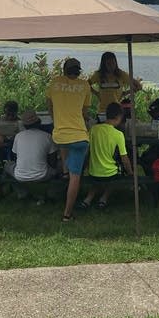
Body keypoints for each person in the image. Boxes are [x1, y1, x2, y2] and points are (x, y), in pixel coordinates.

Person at [46, 58, 92, 222]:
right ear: (78, 71)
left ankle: (65, 171)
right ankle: (67, 214)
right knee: (76, 176)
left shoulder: (55, 83)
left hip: (60, 135)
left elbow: (49, 105)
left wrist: (56, 119)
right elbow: (85, 113)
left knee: (63, 144)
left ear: (64, 70)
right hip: (79, 135)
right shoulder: (85, 85)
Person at [78, 102, 132, 210]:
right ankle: (104, 198)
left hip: (93, 172)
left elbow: (87, 150)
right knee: (114, 175)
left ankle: (88, 199)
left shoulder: (93, 129)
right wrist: (130, 172)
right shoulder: (118, 134)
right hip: (110, 173)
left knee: (97, 178)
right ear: (119, 117)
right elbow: (124, 158)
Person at [4, 109, 59, 196]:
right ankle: (52, 192)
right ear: (39, 122)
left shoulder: (18, 136)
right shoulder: (47, 136)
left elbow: (15, 157)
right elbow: (53, 161)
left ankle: (21, 192)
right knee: (63, 167)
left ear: (24, 125)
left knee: (7, 165)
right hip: (43, 175)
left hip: (19, 175)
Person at [88, 52, 142, 117]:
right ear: (104, 64)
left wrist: (124, 93)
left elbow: (138, 86)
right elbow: (86, 85)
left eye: (113, 63)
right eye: (108, 64)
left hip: (117, 112)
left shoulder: (121, 74)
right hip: (102, 111)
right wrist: (96, 94)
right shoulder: (98, 74)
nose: (111, 66)